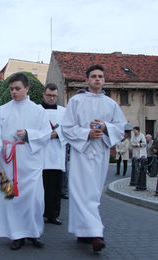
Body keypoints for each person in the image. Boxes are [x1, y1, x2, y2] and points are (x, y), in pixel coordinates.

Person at [61, 64, 126, 252]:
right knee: (82, 193)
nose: (97, 79)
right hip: (82, 152)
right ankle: (97, 234)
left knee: (94, 193)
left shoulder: (111, 104)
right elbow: (67, 127)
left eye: (100, 76)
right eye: (94, 76)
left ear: (104, 80)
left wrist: (105, 127)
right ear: (87, 80)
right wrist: (86, 133)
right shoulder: (76, 101)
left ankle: (83, 232)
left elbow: (121, 128)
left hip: (101, 153)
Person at [0, 72, 50, 250]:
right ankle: (16, 234)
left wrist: (29, 134)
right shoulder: (2, 110)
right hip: (7, 162)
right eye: (12, 89)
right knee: (10, 198)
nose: (14, 92)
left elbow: (46, 133)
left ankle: (33, 233)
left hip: (31, 162)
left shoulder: (38, 110)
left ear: (27, 88)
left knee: (34, 199)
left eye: (18, 88)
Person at [41, 83, 67, 226]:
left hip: (57, 154)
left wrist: (57, 134)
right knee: (42, 187)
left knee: (56, 188)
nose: (51, 98)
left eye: (54, 96)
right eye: (48, 95)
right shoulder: (37, 110)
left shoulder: (64, 112)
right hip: (41, 156)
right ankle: (40, 212)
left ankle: (53, 215)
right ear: (44, 95)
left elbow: (69, 129)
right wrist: (46, 135)